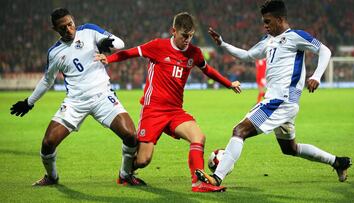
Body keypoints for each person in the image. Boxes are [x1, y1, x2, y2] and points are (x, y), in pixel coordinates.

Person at [195, 0, 351, 188]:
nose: (265, 26)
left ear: (280, 19)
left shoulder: (295, 36)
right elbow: (247, 55)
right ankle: (338, 162)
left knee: (239, 130)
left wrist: (317, 76)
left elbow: (325, 50)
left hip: (280, 101)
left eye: (268, 21)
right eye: (264, 22)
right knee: (290, 149)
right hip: (282, 103)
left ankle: (217, 178)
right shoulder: (267, 41)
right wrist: (223, 44)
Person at [96, 12, 241, 192]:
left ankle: (198, 183)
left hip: (174, 112)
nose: (187, 40)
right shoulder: (158, 46)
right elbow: (130, 53)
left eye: (191, 36)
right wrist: (108, 59)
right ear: (173, 31)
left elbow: (208, 70)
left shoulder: (194, 53)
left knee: (199, 137)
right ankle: (125, 173)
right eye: (184, 36)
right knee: (143, 160)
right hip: (153, 110)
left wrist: (229, 84)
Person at [10, 8, 146, 186]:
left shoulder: (88, 31)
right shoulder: (54, 52)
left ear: (73, 20)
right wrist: (29, 102)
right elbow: (47, 80)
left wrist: (107, 41)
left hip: (102, 96)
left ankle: (125, 174)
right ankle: (52, 177)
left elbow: (120, 43)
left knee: (130, 135)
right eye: (63, 28)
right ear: (55, 30)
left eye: (70, 24)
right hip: (75, 102)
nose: (68, 30)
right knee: (48, 143)